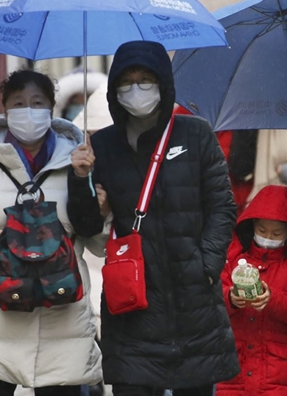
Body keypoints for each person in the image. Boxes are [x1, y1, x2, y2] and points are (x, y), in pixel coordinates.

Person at [67, 40, 239, 396]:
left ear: (163, 83)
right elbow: (86, 226)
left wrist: (205, 264)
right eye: (126, 82)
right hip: (132, 304)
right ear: (115, 90)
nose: (136, 89)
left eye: (145, 79)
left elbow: (222, 207)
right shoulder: (102, 146)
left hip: (193, 304)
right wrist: (80, 178)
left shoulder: (197, 134)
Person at [0, 69, 102, 396]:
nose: (29, 111)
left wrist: (86, 183)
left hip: (61, 322)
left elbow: (99, 239)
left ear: (52, 109)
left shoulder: (80, 161)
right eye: (19, 103)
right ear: (4, 109)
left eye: (37, 103)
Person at [216, 185, 287, 395]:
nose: (268, 236)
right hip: (233, 374)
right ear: (252, 227)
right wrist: (231, 298)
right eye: (262, 231)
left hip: (278, 376)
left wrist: (273, 300)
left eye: (276, 233)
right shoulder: (233, 259)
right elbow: (212, 303)